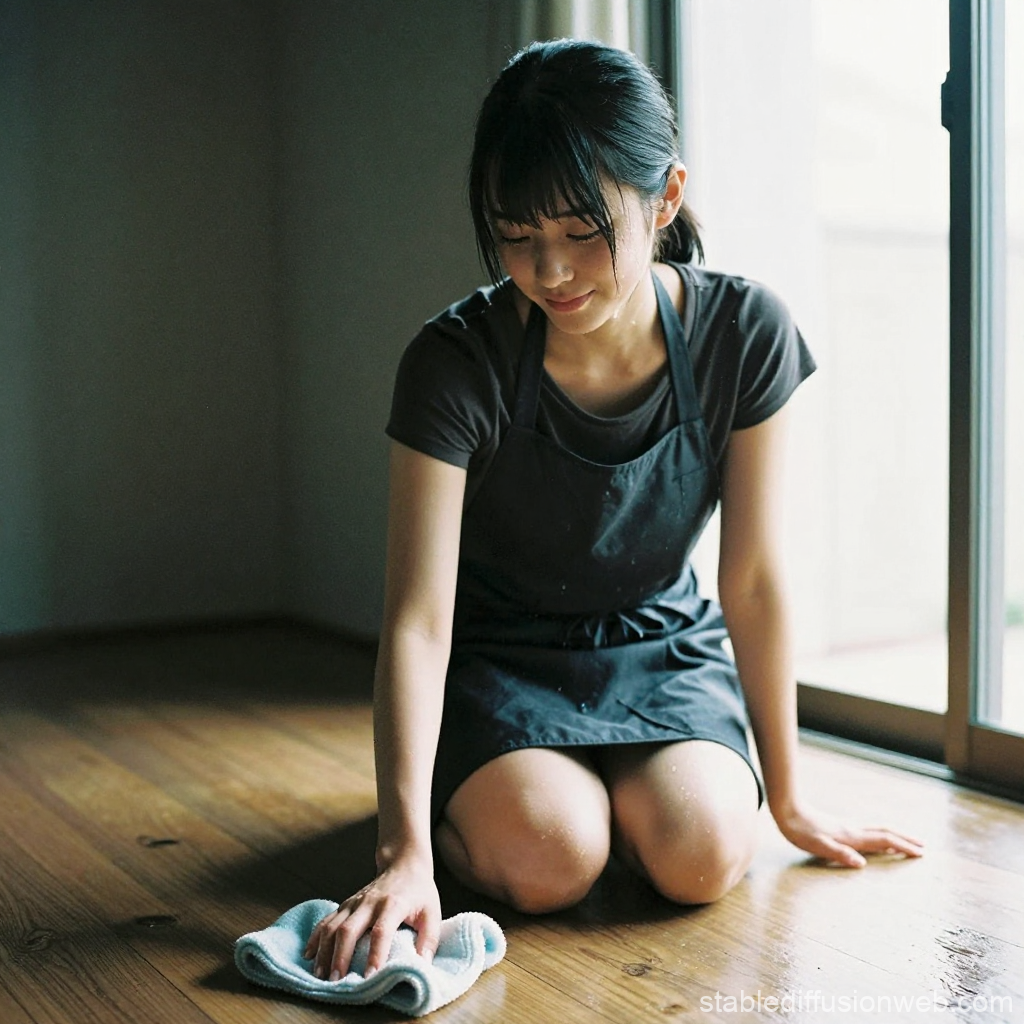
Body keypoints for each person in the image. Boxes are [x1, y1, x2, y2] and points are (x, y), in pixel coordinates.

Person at [304, 38, 924, 982]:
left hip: (662, 644)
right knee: (554, 858)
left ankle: (607, 802)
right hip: (502, 655)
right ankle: (487, 806)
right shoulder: (453, 363)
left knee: (707, 853)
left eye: (581, 230)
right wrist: (404, 853)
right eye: (516, 235)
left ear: (664, 199)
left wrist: (791, 800)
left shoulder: (743, 334)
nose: (550, 270)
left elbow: (751, 581)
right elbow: (420, 619)